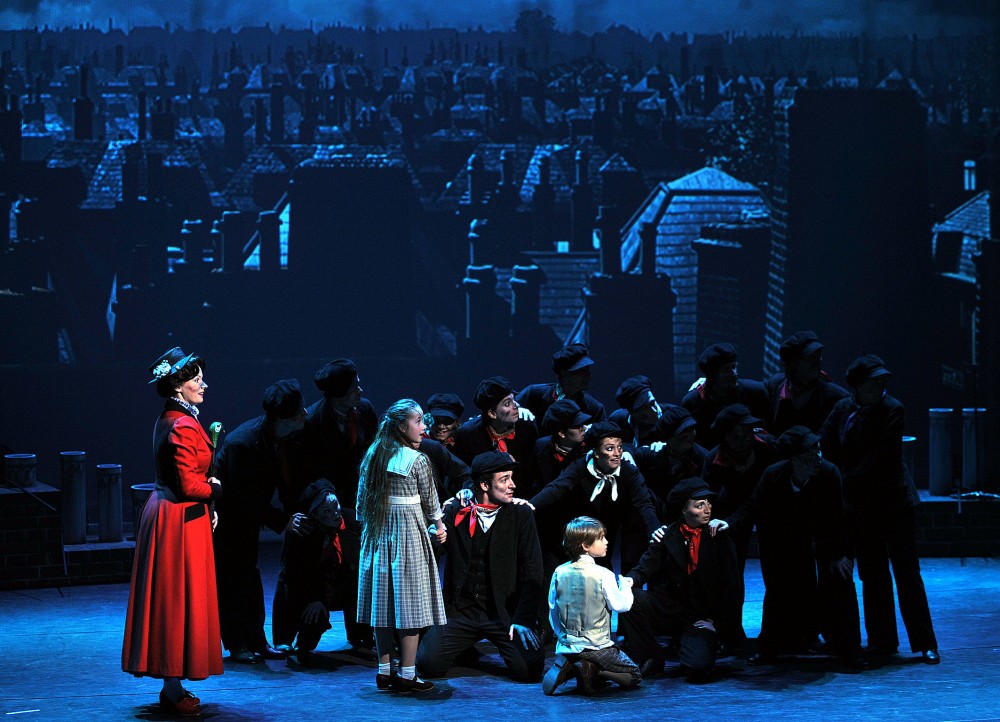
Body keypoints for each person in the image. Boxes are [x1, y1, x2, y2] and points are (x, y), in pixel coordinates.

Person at [122, 347, 223, 717]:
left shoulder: (175, 417)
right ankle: (172, 686)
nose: (204, 385)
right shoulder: (180, 424)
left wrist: (208, 502)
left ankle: (173, 684)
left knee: (180, 598)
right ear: (179, 386)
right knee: (176, 600)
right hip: (176, 521)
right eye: (197, 380)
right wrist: (215, 490)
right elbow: (187, 485)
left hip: (180, 516)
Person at [821, 355, 940, 664]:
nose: (879, 388)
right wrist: (835, 475)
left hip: (893, 501)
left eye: (881, 383)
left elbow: (881, 456)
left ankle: (925, 642)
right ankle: (882, 641)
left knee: (906, 572)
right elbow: (827, 443)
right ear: (858, 385)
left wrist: (844, 479)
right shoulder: (843, 409)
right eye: (873, 383)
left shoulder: (892, 409)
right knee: (873, 573)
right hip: (863, 506)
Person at [727, 427, 864, 668]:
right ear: (794, 460)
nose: (817, 457)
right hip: (788, 534)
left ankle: (849, 650)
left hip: (827, 533)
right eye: (809, 454)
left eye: (818, 450)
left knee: (839, 580)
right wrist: (729, 523)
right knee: (779, 585)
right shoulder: (774, 475)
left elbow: (839, 518)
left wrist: (839, 554)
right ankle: (772, 646)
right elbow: (752, 505)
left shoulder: (828, 473)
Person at [417, 451, 545, 682]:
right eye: (504, 479)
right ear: (485, 485)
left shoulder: (520, 513)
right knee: (428, 664)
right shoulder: (456, 509)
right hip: (461, 610)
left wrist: (523, 618)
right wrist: (435, 535)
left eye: (511, 478)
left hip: (503, 613)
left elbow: (533, 569)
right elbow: (436, 550)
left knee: (529, 669)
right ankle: (464, 647)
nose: (513, 485)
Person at [356, 399, 448, 692]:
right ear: (400, 426)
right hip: (407, 533)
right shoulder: (416, 460)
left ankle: (384, 670)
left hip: (378, 532)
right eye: (418, 421)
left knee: (383, 603)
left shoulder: (374, 455)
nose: (424, 427)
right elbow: (430, 500)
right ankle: (407, 673)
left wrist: (371, 529)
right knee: (411, 605)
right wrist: (439, 526)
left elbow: (361, 503)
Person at [213, 378, 306, 664]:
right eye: (298, 411)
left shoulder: (283, 437)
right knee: (233, 580)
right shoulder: (244, 443)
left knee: (250, 578)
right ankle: (237, 643)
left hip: (248, 516)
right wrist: (282, 520)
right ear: (282, 418)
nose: (304, 414)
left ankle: (256, 640)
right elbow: (243, 496)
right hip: (229, 518)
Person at [618, 478, 744, 681]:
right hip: (668, 607)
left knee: (698, 667)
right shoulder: (668, 534)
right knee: (628, 598)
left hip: (698, 615)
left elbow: (732, 587)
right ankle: (651, 657)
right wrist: (629, 581)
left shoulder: (718, 536)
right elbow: (645, 567)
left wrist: (719, 624)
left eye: (708, 503)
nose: (707, 510)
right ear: (684, 510)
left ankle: (698, 645)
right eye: (699, 505)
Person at [302, 358, 377, 650]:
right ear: (336, 395)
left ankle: (361, 631)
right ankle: (306, 633)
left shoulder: (364, 410)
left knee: (360, 566)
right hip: (330, 503)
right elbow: (308, 470)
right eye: (353, 388)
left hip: (360, 501)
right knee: (330, 565)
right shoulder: (313, 421)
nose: (360, 391)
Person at [529, 421, 661, 575]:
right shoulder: (581, 466)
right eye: (610, 448)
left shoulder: (628, 471)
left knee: (605, 567)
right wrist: (531, 504)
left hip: (610, 527)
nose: (617, 453)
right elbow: (558, 486)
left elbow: (644, 503)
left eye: (619, 447)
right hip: (581, 527)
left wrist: (654, 529)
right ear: (596, 453)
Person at [544, 516, 641, 695]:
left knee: (591, 668)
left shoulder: (559, 571)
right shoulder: (603, 574)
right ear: (585, 546)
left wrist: (563, 637)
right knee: (634, 675)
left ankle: (573, 664)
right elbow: (622, 606)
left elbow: (553, 610)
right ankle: (592, 669)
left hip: (567, 644)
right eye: (601, 538)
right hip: (596, 646)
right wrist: (625, 586)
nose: (606, 542)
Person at [271, 479, 349, 667]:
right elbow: (295, 575)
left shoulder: (350, 522)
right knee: (312, 612)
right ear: (315, 515)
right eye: (326, 511)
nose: (335, 513)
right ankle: (291, 640)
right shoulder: (303, 533)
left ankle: (360, 635)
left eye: (335, 506)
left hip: (338, 585)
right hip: (307, 590)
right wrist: (315, 598)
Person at [452, 376, 539, 495]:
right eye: (507, 403)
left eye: (514, 400)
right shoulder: (467, 434)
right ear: (492, 413)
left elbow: (533, 470)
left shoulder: (527, 426)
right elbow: (463, 473)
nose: (516, 405)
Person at [683, 343, 770, 450]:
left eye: (734, 367)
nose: (734, 373)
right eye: (726, 370)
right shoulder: (693, 403)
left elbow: (768, 427)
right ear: (712, 376)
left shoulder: (755, 392)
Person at [764, 331, 849, 436]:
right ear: (793, 362)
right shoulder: (775, 384)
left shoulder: (837, 397)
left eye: (819, 355)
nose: (818, 361)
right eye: (811, 357)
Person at [631, 404, 709, 518]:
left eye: (692, 429)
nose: (691, 434)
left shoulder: (701, 458)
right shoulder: (657, 453)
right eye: (684, 432)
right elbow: (630, 450)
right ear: (669, 438)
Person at [517, 344, 606, 429]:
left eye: (588, 370)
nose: (588, 376)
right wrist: (518, 410)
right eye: (581, 372)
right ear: (565, 374)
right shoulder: (533, 394)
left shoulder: (594, 409)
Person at [608, 375, 662, 447]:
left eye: (653, 403)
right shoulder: (618, 422)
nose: (654, 411)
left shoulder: (672, 417)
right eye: (644, 409)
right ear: (633, 413)